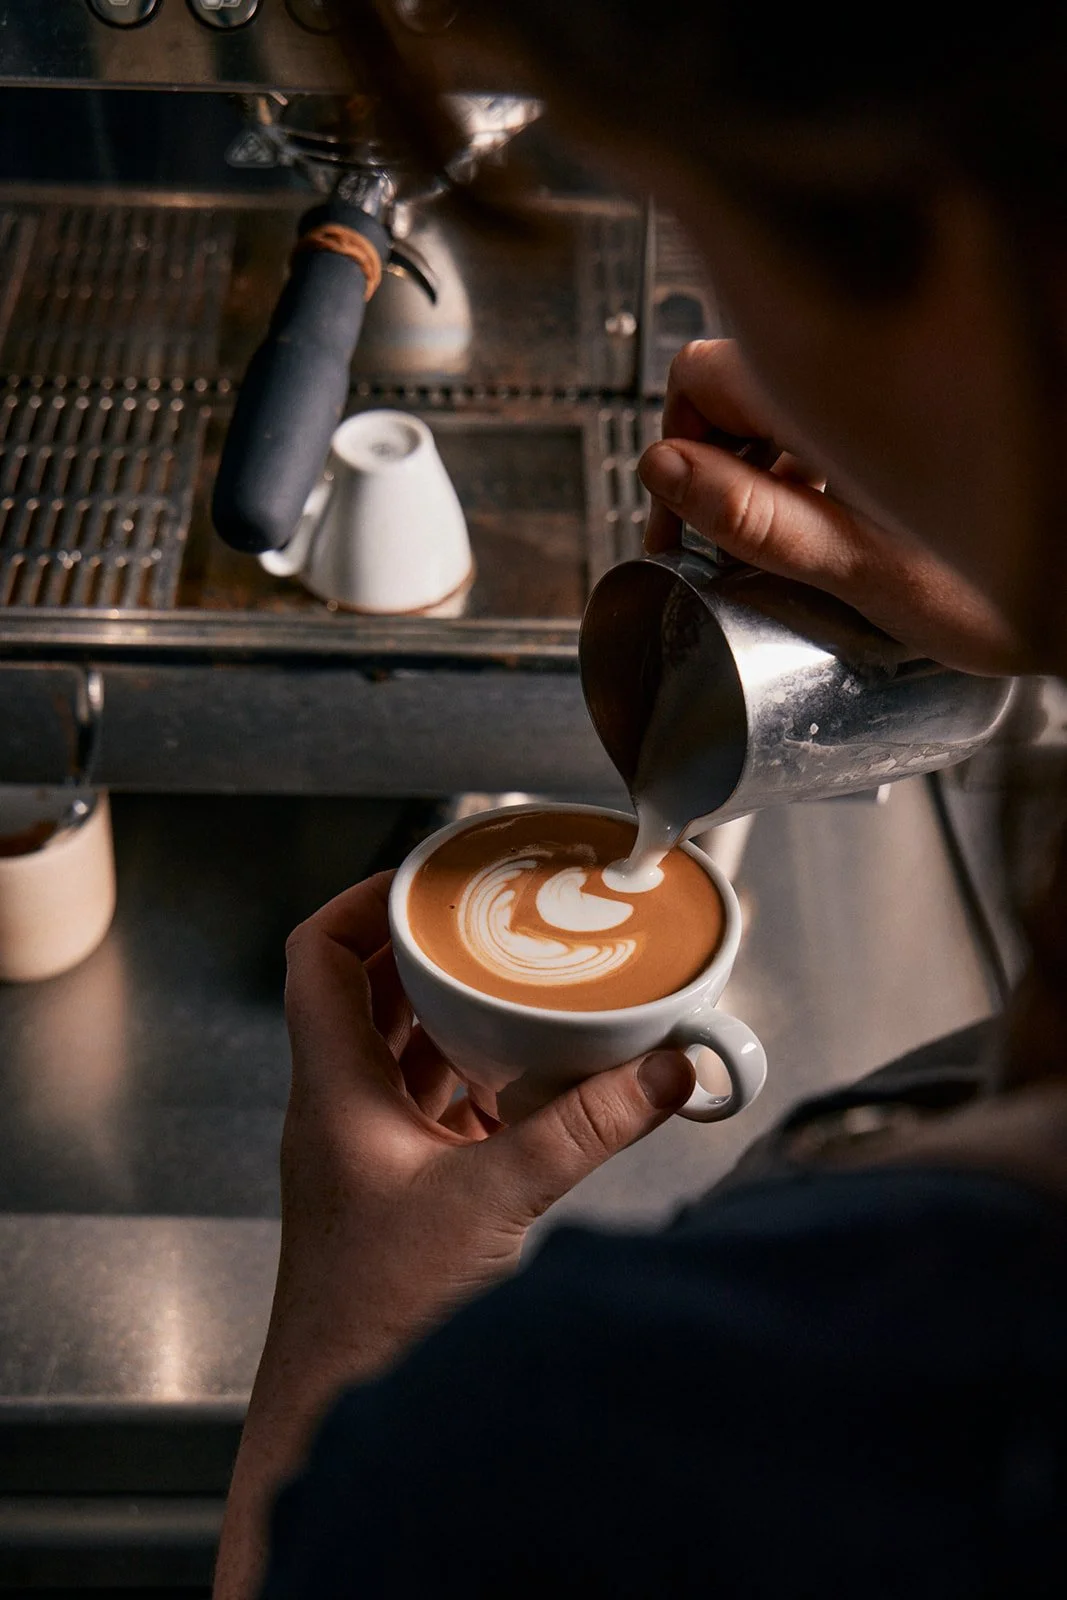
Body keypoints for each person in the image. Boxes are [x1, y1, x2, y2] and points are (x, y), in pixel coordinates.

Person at [214, 5, 1067, 1595]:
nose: (708, 328)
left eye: (697, 202)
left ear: (911, 218)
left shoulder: (589, 1437)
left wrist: (347, 1347)